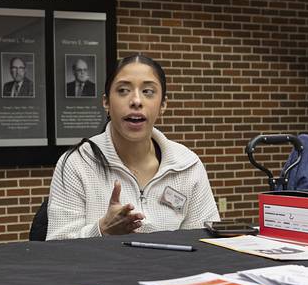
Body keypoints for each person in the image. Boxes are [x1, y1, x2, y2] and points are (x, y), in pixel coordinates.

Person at [46, 54, 219, 240]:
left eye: (148, 91)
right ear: (106, 102)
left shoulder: (187, 165)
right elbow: (57, 248)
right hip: (103, 269)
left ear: (163, 105)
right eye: (123, 90)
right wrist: (102, 230)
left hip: (173, 268)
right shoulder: (77, 163)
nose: (136, 100)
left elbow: (206, 242)